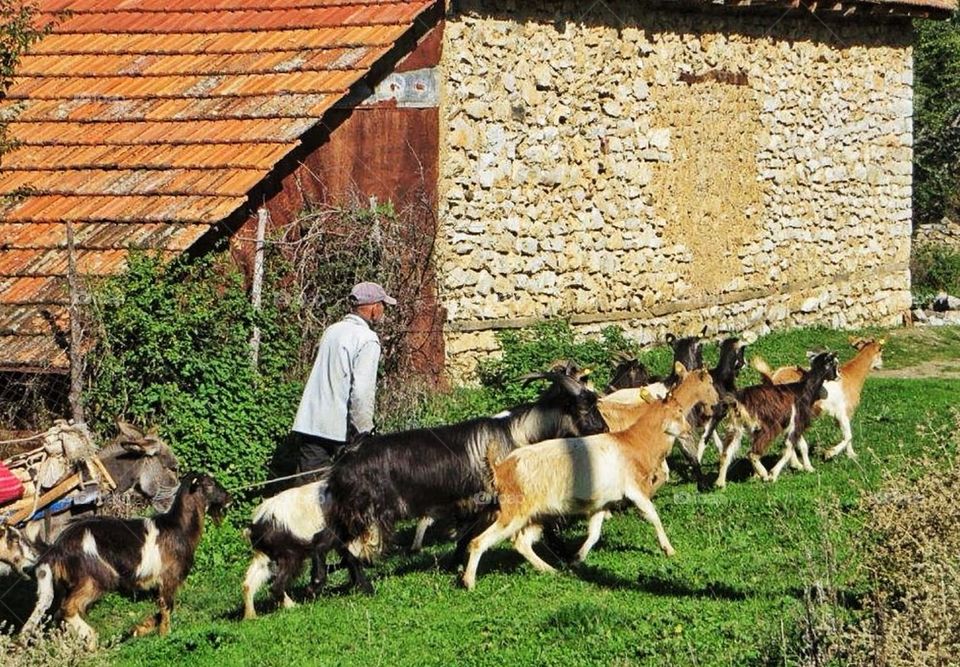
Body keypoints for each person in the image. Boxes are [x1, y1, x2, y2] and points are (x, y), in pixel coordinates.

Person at [292, 281, 396, 474]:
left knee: (307, 492)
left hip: (311, 422)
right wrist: (364, 433)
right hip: (338, 429)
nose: (384, 311)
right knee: (344, 493)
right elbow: (362, 392)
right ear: (374, 308)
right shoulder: (367, 339)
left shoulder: (332, 330)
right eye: (383, 306)